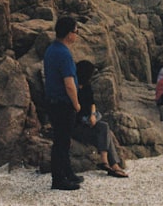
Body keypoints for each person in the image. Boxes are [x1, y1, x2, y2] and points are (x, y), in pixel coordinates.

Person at [42, 16, 82, 190]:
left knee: (62, 140)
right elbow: (69, 83)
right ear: (68, 34)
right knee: (62, 141)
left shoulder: (51, 49)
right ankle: (58, 179)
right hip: (63, 103)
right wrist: (76, 104)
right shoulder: (64, 54)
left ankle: (68, 172)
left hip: (52, 101)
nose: (77, 35)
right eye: (76, 31)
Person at [74, 61, 129, 178]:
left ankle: (109, 164)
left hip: (88, 121)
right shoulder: (73, 88)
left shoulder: (87, 86)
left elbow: (92, 103)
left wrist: (93, 115)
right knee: (104, 129)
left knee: (104, 127)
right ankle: (112, 165)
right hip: (77, 125)